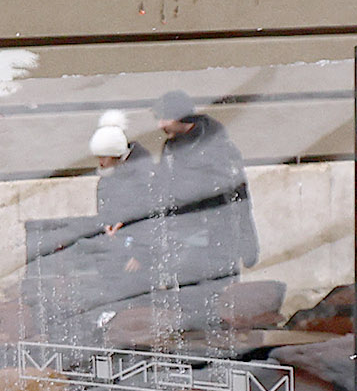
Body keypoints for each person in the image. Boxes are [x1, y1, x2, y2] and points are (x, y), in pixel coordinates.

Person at [95, 92, 261, 300]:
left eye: (164, 118)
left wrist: (248, 244)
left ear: (181, 117)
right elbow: (159, 195)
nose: (159, 125)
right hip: (183, 246)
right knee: (188, 306)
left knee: (218, 306)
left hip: (215, 244)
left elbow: (239, 197)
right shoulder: (171, 148)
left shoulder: (217, 148)